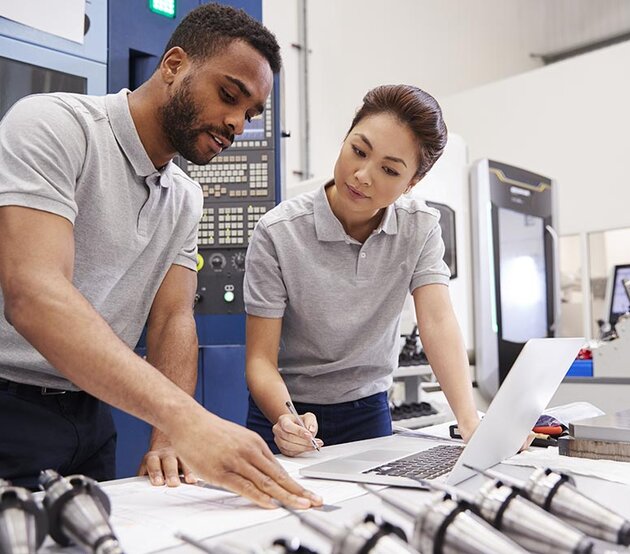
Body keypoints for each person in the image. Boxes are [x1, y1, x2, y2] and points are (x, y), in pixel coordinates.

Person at [0, 3, 321, 509]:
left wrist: (168, 437)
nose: (237, 124)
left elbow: (173, 318)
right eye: (229, 95)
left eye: (250, 114)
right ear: (173, 66)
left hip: (90, 415)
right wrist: (188, 421)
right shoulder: (56, 127)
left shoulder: (185, 197)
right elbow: (33, 294)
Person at [244, 84, 480, 456]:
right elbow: (260, 359)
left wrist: (469, 421)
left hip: (368, 411)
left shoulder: (420, 227)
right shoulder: (278, 231)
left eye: (389, 169)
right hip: (286, 409)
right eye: (358, 151)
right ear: (345, 139)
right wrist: (285, 417)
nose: (362, 175)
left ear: (412, 182)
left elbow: (437, 322)